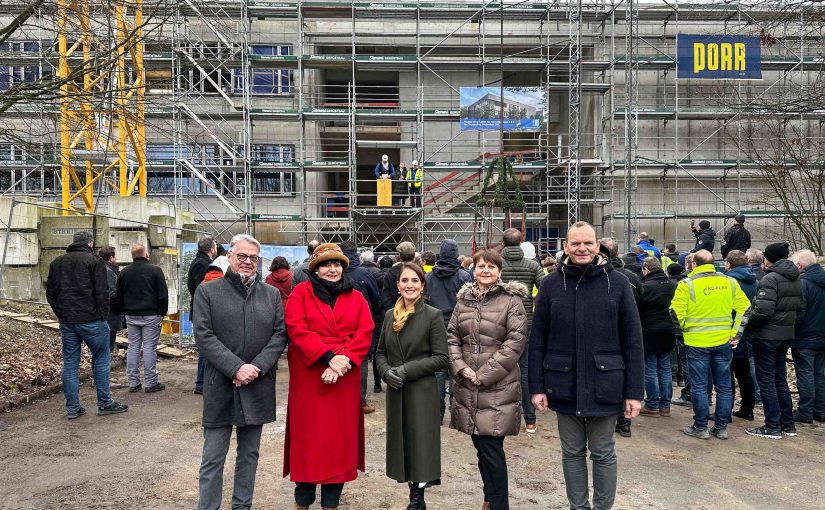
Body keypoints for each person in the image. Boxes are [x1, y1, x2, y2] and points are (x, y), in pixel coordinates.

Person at [530, 222, 643, 510]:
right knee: (571, 452)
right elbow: (538, 338)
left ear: (598, 246)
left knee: (603, 452)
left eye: (588, 243)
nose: (582, 248)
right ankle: (578, 507)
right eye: (576, 243)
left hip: (606, 384)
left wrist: (634, 391)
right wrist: (537, 386)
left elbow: (632, 339)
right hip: (563, 382)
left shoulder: (617, 283)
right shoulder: (551, 284)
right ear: (565, 246)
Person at [193, 234, 288, 510]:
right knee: (213, 456)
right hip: (220, 384)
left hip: (256, 384)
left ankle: (241, 506)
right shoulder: (208, 292)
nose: (248, 262)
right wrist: (235, 367)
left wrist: (255, 368)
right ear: (230, 257)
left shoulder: (270, 294)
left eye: (253, 258)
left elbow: (280, 335)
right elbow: (204, 335)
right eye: (242, 256)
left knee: (249, 454)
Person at [283, 243, 374, 510]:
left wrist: (341, 360)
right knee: (308, 441)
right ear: (315, 268)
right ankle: (303, 501)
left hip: (343, 378)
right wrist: (328, 356)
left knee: (338, 443)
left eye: (337, 264)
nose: (332, 269)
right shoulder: (301, 292)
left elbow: (365, 332)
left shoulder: (356, 296)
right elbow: (296, 329)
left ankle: (331, 503)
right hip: (310, 375)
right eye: (326, 264)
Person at [448, 249, 527, 510]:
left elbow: (515, 342)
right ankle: (489, 498)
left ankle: (498, 503)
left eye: (491, 267)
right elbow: (452, 338)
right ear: (473, 269)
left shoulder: (511, 301)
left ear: (500, 272)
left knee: (492, 450)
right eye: (481, 266)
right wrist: (460, 367)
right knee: (481, 448)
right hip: (467, 385)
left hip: (497, 387)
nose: (485, 270)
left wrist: (483, 375)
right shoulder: (464, 301)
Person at [375, 263, 449, 510]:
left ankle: (417, 501)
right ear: (397, 286)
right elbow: (380, 352)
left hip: (421, 391)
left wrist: (406, 370)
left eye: (414, 281)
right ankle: (413, 494)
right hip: (396, 391)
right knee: (403, 443)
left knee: (420, 445)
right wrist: (385, 372)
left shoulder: (432, 315)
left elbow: (441, 358)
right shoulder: (389, 316)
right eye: (405, 281)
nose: (409, 285)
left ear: (422, 286)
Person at [46, 231, 129, 419]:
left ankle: (73, 408)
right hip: (91, 320)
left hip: (68, 321)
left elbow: (50, 293)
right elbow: (102, 293)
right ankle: (104, 402)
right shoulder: (94, 261)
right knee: (101, 358)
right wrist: (101, 315)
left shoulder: (57, 263)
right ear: (90, 244)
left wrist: (60, 312)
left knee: (70, 363)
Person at [670, 250, 751, 440]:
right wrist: (735, 333)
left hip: (696, 342)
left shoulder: (686, 285)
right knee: (724, 386)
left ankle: (701, 427)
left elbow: (675, 313)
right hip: (723, 342)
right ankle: (721, 427)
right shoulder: (729, 282)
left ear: (693, 265)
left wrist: (685, 330)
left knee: (699, 386)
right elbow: (745, 308)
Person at [745, 242, 805, 439]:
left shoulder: (770, 279)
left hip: (767, 337)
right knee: (779, 379)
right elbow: (801, 309)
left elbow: (762, 311)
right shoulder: (796, 278)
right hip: (785, 335)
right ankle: (787, 424)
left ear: (769, 258)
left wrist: (749, 327)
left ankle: (772, 425)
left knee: (767, 381)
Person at [499, 228, 544, 434]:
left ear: (503, 242)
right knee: (524, 371)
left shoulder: (496, 263)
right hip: (526, 322)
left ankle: (500, 416)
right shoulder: (533, 265)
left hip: (499, 323)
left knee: (499, 370)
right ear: (520, 242)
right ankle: (530, 420)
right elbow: (546, 287)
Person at [425, 239, 473, 422]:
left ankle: (437, 413)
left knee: (438, 371)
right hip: (459, 326)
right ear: (455, 254)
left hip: (435, 326)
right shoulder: (463, 276)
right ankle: (455, 411)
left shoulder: (429, 276)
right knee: (456, 369)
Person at [600, 237, 642, 438]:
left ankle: (620, 418)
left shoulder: (618, 279)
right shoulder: (630, 276)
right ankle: (624, 422)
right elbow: (641, 300)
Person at [116, 244, 169, 393]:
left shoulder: (124, 272)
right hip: (151, 315)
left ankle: (133, 382)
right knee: (149, 348)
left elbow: (118, 296)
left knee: (133, 346)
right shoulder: (155, 270)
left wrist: (124, 311)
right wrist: (162, 313)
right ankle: (151, 382)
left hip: (131, 315)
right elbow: (162, 295)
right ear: (146, 255)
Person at [340, 240, 382, 415]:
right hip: (361, 325)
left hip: (338, 325)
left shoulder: (335, 272)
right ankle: (360, 401)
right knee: (361, 360)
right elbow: (375, 298)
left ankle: (342, 399)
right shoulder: (363, 273)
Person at [637, 257, 678, 417]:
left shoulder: (645, 286)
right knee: (664, 367)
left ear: (646, 269)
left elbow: (638, 309)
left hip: (650, 330)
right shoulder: (674, 285)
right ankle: (665, 405)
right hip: (669, 329)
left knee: (650, 368)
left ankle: (652, 404)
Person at [790, 249, 825, 424]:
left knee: (805, 375)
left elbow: (799, 314)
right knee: (819, 375)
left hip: (805, 338)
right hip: (821, 337)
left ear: (799, 265)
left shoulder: (803, 284)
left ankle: (805, 412)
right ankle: (820, 410)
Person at [724, 250, 758, 421]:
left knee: (726, 373)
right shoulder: (755, 279)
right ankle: (747, 408)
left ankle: (725, 410)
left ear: (729, 264)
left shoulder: (730, 282)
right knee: (744, 373)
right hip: (748, 332)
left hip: (732, 331)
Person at [190, 236, 217, 395]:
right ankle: (201, 383)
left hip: (200, 310)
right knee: (206, 348)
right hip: (204, 311)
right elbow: (202, 290)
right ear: (211, 249)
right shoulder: (203, 265)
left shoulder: (197, 262)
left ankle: (202, 381)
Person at [98, 246, 124, 356]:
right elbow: (112, 295)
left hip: (104, 314)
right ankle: (103, 372)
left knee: (103, 347)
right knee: (107, 347)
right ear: (111, 258)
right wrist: (122, 308)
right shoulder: (108, 272)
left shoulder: (100, 268)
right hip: (110, 316)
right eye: (115, 256)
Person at [666, 263, 688, 388]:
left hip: (675, 324)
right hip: (687, 326)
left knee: (674, 351)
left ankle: (675, 376)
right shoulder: (685, 283)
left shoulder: (674, 285)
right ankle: (681, 378)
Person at [382, 241, 416, 311]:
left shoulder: (391, 273)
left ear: (399, 256)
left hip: (396, 313)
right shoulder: (420, 272)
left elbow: (386, 298)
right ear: (414, 256)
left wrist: (395, 312)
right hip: (416, 312)